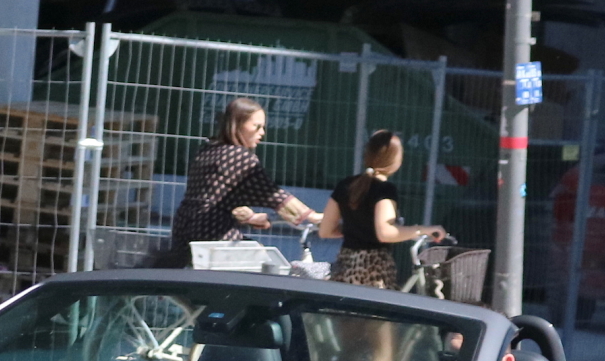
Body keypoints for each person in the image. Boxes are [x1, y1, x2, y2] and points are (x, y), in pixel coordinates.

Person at [159, 96, 315, 265]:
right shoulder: (240, 157)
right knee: (266, 264)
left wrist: (250, 217)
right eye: (256, 127)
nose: (262, 133)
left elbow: (217, 195)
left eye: (263, 127)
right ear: (238, 125)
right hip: (213, 233)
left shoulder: (208, 150)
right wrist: (311, 216)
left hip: (185, 228)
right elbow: (272, 193)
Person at [321, 130, 446, 288]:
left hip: (345, 266)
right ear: (396, 160)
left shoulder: (345, 185)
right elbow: (385, 233)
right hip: (373, 271)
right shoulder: (384, 190)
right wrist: (422, 229)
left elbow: (325, 231)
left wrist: (353, 228)